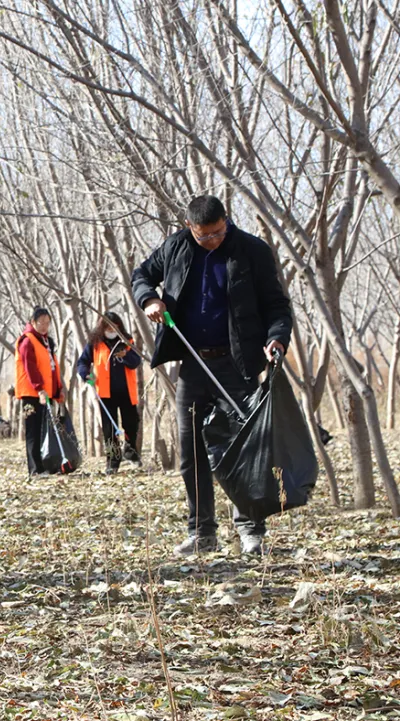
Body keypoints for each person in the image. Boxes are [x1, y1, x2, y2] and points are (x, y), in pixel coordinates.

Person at [131, 195, 292, 557]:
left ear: (226, 221)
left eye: (218, 232)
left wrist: (276, 338)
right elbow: (141, 276)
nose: (212, 240)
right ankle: (202, 532)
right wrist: (149, 300)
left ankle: (250, 529)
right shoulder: (175, 247)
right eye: (204, 235)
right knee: (191, 450)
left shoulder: (252, 250)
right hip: (192, 365)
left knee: (243, 449)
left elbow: (277, 305)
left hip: (239, 365)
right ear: (190, 227)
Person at [75, 311, 142, 475]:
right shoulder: (95, 343)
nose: (111, 330)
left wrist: (126, 355)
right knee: (109, 429)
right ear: (102, 328)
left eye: (114, 327)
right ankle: (113, 461)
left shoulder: (127, 341)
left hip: (126, 391)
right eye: (108, 327)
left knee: (131, 423)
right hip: (106, 393)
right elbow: (82, 362)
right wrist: (85, 374)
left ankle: (131, 453)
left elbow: (136, 361)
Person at [14, 307, 65, 476]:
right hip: (32, 394)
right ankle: (35, 469)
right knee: (33, 431)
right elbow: (30, 368)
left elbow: (51, 368)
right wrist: (40, 389)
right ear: (33, 322)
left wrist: (57, 391)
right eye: (41, 322)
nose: (44, 326)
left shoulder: (47, 342)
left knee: (44, 431)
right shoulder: (27, 341)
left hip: (46, 394)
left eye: (47, 323)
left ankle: (45, 465)